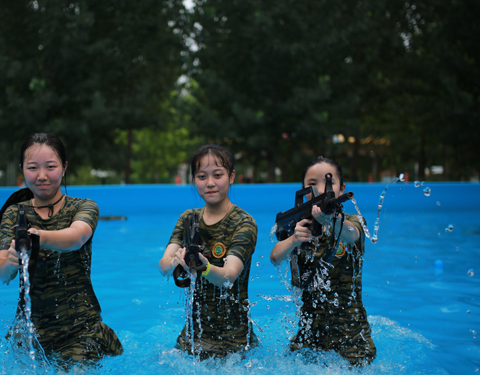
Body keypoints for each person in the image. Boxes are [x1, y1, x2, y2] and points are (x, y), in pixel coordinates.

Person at [0, 133, 123, 363]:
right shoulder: (14, 213)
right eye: (32, 167)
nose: (42, 176)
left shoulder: (83, 207)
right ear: (22, 169)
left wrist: (36, 237)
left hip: (79, 329)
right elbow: (2, 273)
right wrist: (11, 260)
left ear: (64, 168)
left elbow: (75, 237)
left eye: (50, 167)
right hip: (29, 332)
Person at [269, 156, 376, 366]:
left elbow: (352, 235)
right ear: (302, 190)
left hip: (351, 338)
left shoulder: (352, 221)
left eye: (328, 182)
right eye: (312, 184)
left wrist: (332, 221)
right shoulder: (299, 225)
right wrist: (293, 240)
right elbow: (274, 257)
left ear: (342, 188)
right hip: (309, 337)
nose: (320, 189)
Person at [158, 144, 258, 358]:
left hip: (234, 339)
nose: (210, 183)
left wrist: (203, 266)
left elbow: (229, 276)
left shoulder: (244, 223)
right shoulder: (188, 218)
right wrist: (177, 261)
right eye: (202, 176)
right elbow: (163, 266)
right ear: (194, 179)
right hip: (193, 335)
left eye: (218, 175)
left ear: (231, 177)